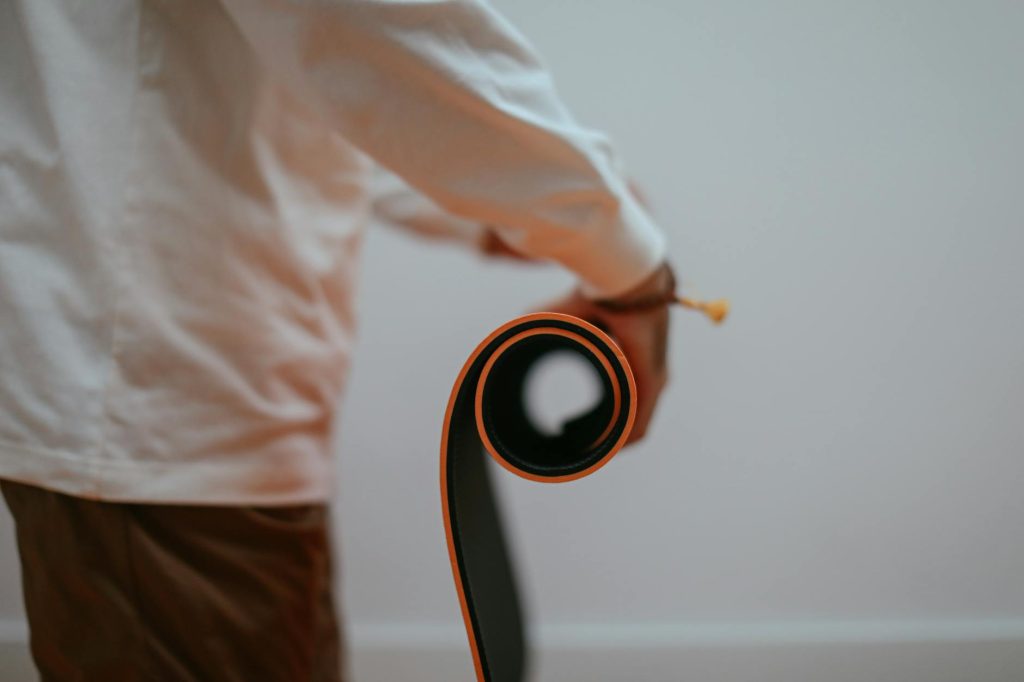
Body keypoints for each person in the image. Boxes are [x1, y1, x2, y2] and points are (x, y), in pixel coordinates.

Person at [0, 0, 674, 679]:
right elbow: (376, 26)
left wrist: (506, 214)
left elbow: (315, 78)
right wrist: (622, 257)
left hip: (213, 410)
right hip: (162, 415)